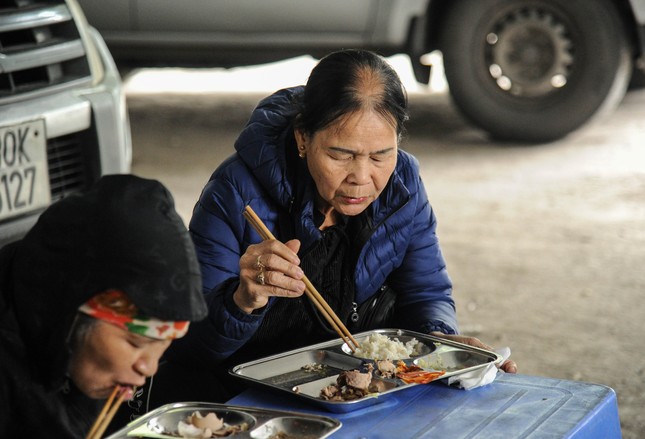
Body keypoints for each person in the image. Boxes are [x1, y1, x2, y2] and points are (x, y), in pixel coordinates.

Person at [153, 48, 516, 406]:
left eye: (380, 155)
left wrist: (442, 343)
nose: (361, 178)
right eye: (340, 154)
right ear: (303, 139)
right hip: (242, 396)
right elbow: (186, 345)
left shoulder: (403, 185)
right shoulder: (236, 192)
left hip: (354, 391)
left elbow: (425, 293)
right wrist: (241, 301)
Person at [0, 175, 208, 438]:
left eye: (163, 346)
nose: (149, 368)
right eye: (135, 342)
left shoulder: (72, 354)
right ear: (69, 312)